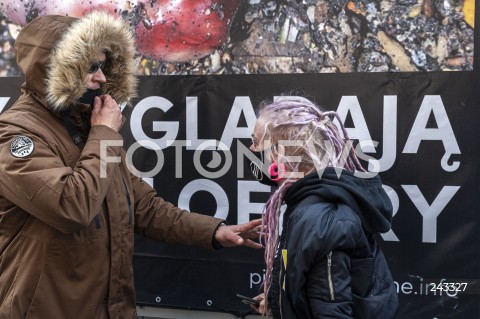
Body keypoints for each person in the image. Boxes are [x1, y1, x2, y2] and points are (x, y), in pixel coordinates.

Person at [0, 11, 261, 319]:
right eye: (91, 67)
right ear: (56, 70)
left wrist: (214, 232)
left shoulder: (88, 129)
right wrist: (105, 134)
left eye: (104, 66)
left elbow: (141, 206)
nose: (101, 78)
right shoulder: (15, 134)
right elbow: (71, 206)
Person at [248, 97, 399, 318]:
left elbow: (331, 312)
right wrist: (278, 302)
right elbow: (311, 291)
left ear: (279, 154)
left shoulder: (322, 218)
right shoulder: (305, 204)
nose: (251, 149)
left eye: (256, 141)